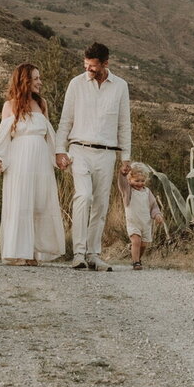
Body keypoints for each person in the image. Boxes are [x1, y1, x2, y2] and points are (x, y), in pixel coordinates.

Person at [55, 42, 131, 271]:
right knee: (84, 196)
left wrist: (126, 156)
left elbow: (124, 123)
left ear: (106, 64)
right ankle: (78, 253)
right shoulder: (75, 84)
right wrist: (60, 150)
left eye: (93, 66)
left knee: (100, 203)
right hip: (79, 149)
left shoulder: (120, 86)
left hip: (107, 153)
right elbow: (65, 120)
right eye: (86, 65)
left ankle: (93, 254)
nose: (88, 70)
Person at [0, 63, 65, 266]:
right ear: (25, 80)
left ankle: (34, 252)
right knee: (20, 203)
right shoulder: (10, 106)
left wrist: (59, 156)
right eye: (36, 78)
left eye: (40, 78)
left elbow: (51, 136)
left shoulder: (43, 104)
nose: (40, 82)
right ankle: (18, 252)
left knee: (39, 203)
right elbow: (3, 138)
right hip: (19, 159)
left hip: (41, 160)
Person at [120, 162, 167, 270]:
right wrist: (122, 175)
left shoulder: (147, 192)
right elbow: (121, 184)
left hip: (146, 223)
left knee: (144, 244)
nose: (140, 183)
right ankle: (136, 262)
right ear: (129, 180)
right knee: (136, 241)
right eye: (136, 180)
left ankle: (137, 259)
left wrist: (157, 215)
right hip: (133, 223)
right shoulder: (128, 191)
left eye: (142, 181)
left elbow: (153, 206)